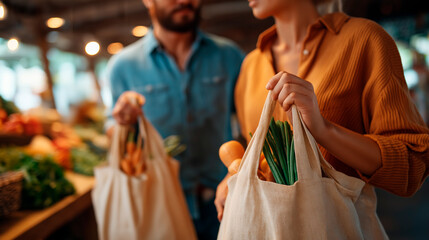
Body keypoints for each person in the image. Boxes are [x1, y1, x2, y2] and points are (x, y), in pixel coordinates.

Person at [215, 0, 429, 222]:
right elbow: (257, 153)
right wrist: (231, 179)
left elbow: (411, 165)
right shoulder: (251, 65)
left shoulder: (365, 39)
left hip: (337, 228)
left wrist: (324, 130)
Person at [106, 0, 244, 238]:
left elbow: (250, 120)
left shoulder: (229, 56)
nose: (184, 1)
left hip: (228, 199)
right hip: (161, 203)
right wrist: (124, 121)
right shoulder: (123, 66)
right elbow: (111, 131)